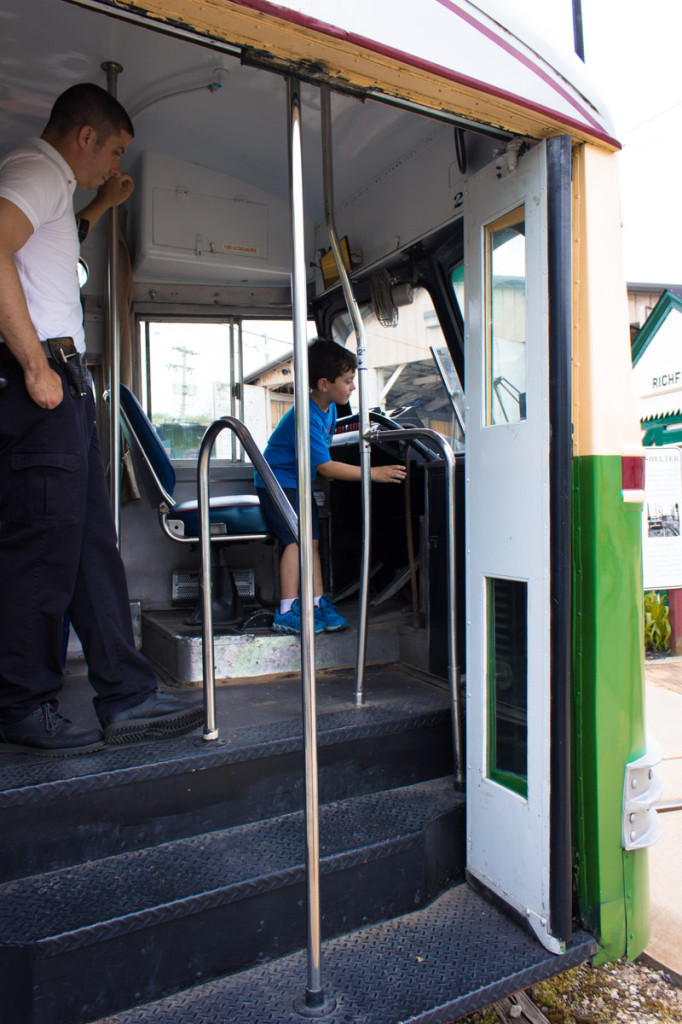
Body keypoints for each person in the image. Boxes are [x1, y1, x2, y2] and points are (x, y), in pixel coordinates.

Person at [0, 83, 203, 756]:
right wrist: (34, 366)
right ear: (84, 136)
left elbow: (50, 248)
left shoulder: (58, 192)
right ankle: (22, 703)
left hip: (64, 388)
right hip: (43, 385)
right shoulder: (35, 170)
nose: (114, 165)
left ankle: (129, 695)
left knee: (91, 550)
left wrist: (103, 206)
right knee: (45, 551)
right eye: (114, 150)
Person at [255, 338, 406, 635]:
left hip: (299, 482)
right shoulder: (306, 415)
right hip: (278, 483)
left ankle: (316, 602)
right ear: (324, 384)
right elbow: (325, 466)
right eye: (348, 381)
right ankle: (286, 611)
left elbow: (320, 456)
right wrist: (373, 472)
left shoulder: (329, 410)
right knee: (295, 543)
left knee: (312, 544)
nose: (352, 387)